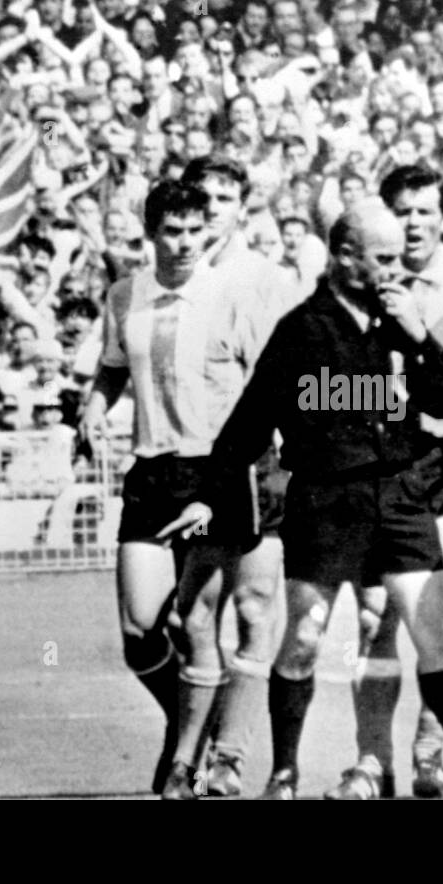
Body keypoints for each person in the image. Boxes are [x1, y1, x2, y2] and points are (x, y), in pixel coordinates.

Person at [160, 200, 443, 799]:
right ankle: (285, 771)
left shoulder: (401, 321)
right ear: (345, 258)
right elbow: (247, 425)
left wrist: (421, 337)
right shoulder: (301, 330)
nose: (397, 270)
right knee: (304, 637)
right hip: (326, 500)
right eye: (384, 259)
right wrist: (207, 498)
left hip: (400, 495)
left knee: (436, 634)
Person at [78, 180, 278, 795]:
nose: (187, 243)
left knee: (203, 620)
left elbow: (267, 388)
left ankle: (195, 758)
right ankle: (198, 719)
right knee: (141, 633)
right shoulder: (124, 296)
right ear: (151, 232)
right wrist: (94, 406)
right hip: (152, 473)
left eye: (197, 231)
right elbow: (112, 369)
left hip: (219, 471)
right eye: (174, 231)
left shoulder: (232, 293)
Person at [327, 164, 443, 800]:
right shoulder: (353, 286)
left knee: (435, 620)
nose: (413, 224)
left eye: (424, 213)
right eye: (401, 211)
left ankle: (431, 755)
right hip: (372, 471)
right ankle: (371, 762)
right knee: (374, 618)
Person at [168, 155, 298, 798]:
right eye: (203, 197)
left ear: (242, 204)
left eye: (225, 196)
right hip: (186, 464)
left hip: (252, 465)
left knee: (251, 607)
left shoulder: (263, 280)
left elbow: (285, 378)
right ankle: (196, 740)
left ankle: (229, 758)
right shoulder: (177, 279)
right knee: (185, 619)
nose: (213, 207)